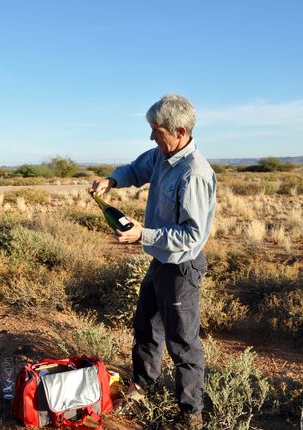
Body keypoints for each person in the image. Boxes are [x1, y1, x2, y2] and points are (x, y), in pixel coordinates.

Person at [91, 94, 216, 430]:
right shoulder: (163, 155)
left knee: (182, 343)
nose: (151, 137)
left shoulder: (194, 174)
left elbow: (192, 237)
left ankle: (191, 414)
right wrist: (112, 181)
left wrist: (143, 234)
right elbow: (136, 169)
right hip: (160, 262)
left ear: (179, 130)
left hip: (181, 269)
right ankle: (143, 388)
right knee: (146, 327)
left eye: (156, 131)